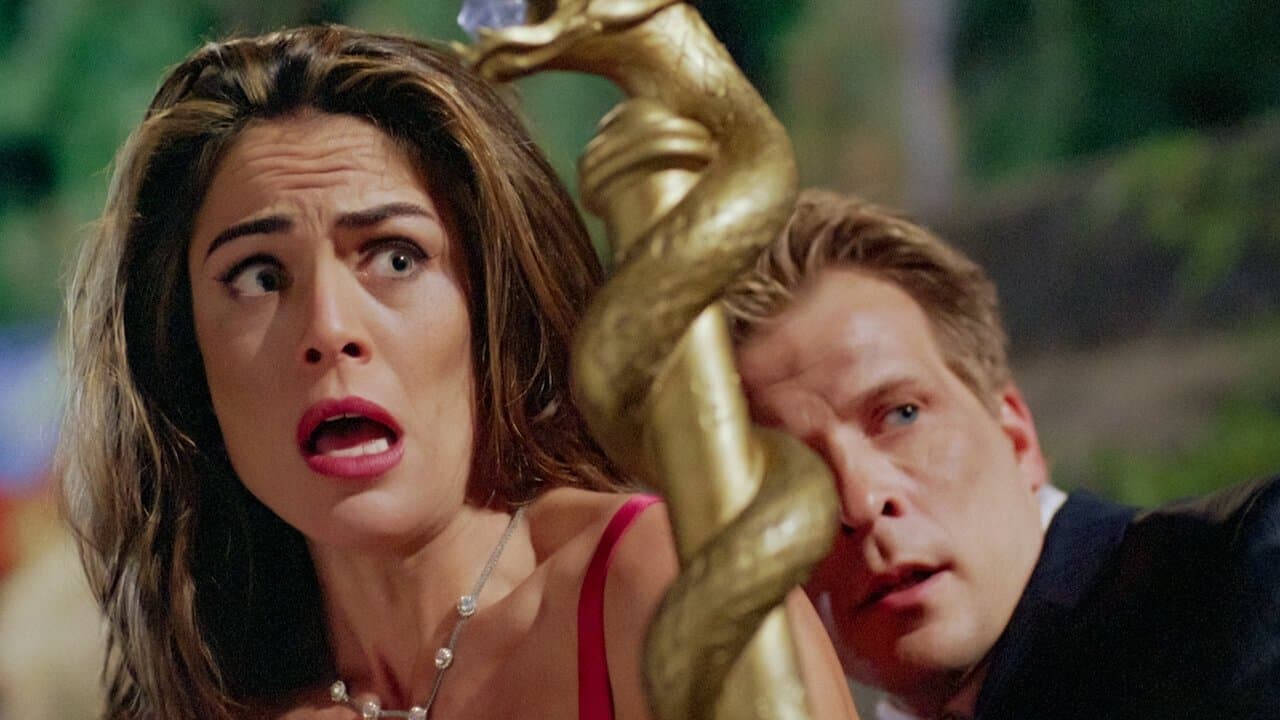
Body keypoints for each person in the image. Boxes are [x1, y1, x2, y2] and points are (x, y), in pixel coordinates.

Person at [57, 27, 854, 720]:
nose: (329, 330)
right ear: (182, 350)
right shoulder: (195, 695)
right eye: (259, 277)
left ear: (493, 305)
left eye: (395, 258)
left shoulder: (665, 585)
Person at [723, 188, 1280, 720]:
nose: (861, 501)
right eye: (788, 475)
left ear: (1016, 435)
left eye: (901, 415)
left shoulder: (1247, 580)